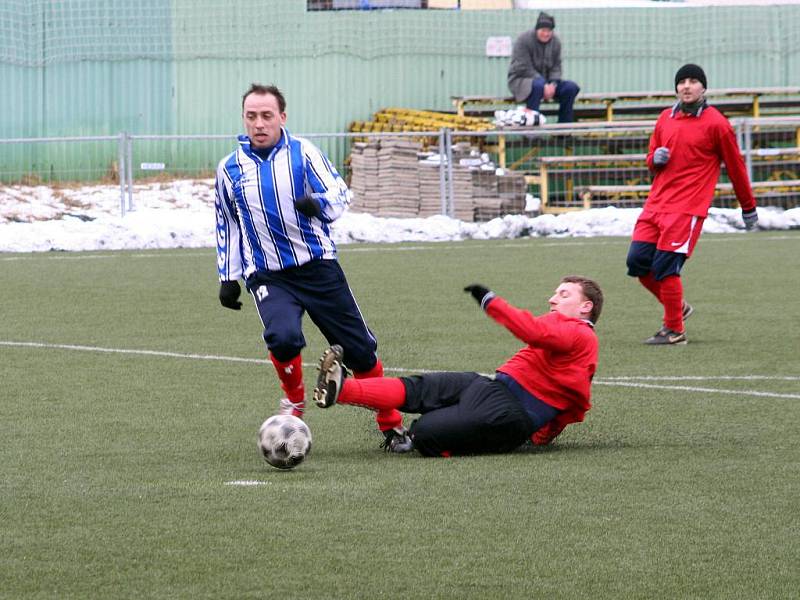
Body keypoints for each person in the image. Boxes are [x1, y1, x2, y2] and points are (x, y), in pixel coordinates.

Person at [214, 83, 407, 448]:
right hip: (268, 274)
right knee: (283, 337)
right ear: (244, 119)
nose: (259, 123)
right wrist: (228, 276)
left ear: (282, 118)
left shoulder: (304, 154)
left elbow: (339, 193)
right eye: (251, 116)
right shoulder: (229, 169)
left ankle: (391, 424)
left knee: (361, 351)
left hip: (318, 267)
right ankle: (295, 401)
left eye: (267, 116)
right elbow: (227, 223)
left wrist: (317, 204)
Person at [312, 276, 602, 456]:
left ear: (586, 306)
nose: (553, 298)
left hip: (507, 413)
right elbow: (573, 402)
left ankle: (421, 434)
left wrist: (492, 302)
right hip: (492, 388)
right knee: (419, 389)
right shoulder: (574, 334)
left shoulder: (579, 332)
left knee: (426, 434)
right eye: (556, 292)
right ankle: (342, 389)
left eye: (564, 294)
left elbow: (534, 332)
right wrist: (545, 435)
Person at [626, 64, 759, 346]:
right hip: (656, 205)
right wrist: (654, 159)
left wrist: (748, 207)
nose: (686, 86)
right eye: (682, 81)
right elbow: (651, 159)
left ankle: (674, 330)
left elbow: (736, 168)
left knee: (665, 268)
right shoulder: (665, 118)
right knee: (637, 262)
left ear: (703, 88)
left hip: (687, 209)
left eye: (693, 81)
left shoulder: (717, 124)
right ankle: (679, 308)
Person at [507, 11, 580, 123]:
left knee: (571, 88)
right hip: (521, 81)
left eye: (549, 31)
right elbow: (523, 67)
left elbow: (556, 66)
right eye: (543, 30)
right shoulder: (523, 40)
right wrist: (543, 83)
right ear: (537, 29)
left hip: (547, 83)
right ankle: (530, 133)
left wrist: (553, 83)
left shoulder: (556, 42)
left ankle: (564, 131)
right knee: (538, 86)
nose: (546, 34)